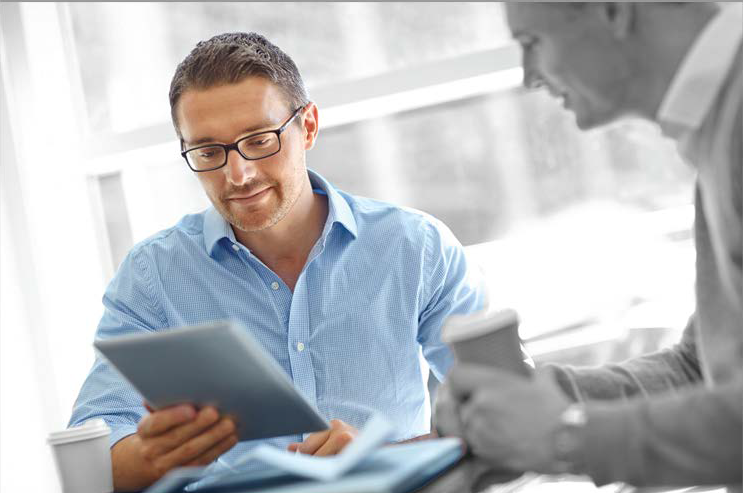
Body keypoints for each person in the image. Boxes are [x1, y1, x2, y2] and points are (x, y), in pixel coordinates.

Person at [69, 32, 485, 491]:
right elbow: (92, 462)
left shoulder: (417, 247)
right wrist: (152, 457)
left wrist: (377, 458)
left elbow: (508, 419)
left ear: (307, 126)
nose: (238, 174)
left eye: (259, 139)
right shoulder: (151, 277)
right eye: (209, 152)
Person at [436, 2, 742, 488]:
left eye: (532, 42)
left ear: (614, 10)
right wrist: (552, 398)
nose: (528, 77)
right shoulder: (719, 126)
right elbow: (703, 369)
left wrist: (565, 436)